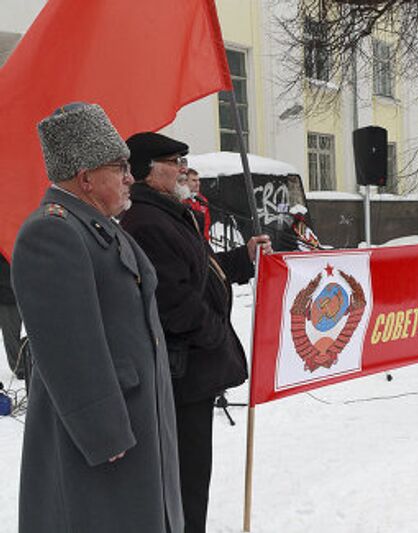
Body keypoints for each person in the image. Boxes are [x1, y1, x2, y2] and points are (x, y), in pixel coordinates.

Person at [11, 102, 183, 532]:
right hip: (101, 443)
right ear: (86, 177)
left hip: (133, 424)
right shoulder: (53, 232)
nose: (130, 177)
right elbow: (69, 349)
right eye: (118, 167)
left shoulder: (96, 224)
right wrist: (104, 432)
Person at [120, 132, 271, 533]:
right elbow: (175, 304)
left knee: (193, 479)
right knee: (186, 483)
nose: (183, 169)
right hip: (181, 375)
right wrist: (215, 333)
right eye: (173, 161)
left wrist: (244, 257)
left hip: (192, 371)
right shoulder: (146, 221)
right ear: (148, 173)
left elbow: (201, 269)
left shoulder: (169, 212)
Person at [0, 255, 23, 379]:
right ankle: (19, 367)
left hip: (14, 291)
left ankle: (20, 366)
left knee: (12, 334)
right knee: (11, 335)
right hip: (8, 293)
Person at [184, 168, 211, 241]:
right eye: (194, 180)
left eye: (198, 180)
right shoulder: (181, 200)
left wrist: (206, 242)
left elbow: (207, 224)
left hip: (202, 242)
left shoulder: (202, 200)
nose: (198, 183)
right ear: (185, 182)